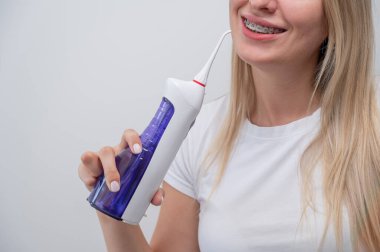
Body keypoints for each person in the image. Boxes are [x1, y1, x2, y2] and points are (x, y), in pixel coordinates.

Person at [78, 0, 380, 251]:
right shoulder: (197, 134)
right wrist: (111, 204)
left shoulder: (373, 132)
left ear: (339, 14)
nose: (261, 2)